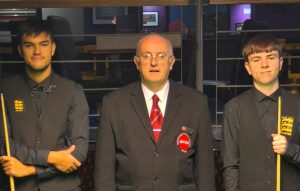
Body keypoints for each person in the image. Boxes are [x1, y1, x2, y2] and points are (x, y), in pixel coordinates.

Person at [94, 33, 215, 191]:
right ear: (137, 63)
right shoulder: (113, 103)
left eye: (160, 56)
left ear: (171, 62)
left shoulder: (196, 103)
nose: (153, 62)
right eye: (146, 56)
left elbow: (205, 169)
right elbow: (104, 170)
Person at [0, 19, 89, 191]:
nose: (37, 51)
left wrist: (31, 170)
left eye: (43, 44)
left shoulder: (73, 91)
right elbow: (4, 146)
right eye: (29, 45)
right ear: (20, 50)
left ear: (53, 48)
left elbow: (78, 153)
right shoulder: (4, 90)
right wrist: (52, 157)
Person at [222, 34, 300, 191]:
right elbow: (230, 166)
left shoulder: (297, 105)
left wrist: (289, 150)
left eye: (271, 57)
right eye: (257, 59)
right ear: (248, 68)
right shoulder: (234, 108)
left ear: (281, 63)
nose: (264, 64)